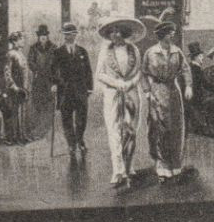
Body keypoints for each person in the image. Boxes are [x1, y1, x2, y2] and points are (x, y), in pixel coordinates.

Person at [143, 17, 195, 183]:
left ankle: (175, 164)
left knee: (177, 127)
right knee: (159, 128)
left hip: (174, 91)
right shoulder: (150, 53)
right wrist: (147, 92)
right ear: (162, 35)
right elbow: (144, 73)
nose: (172, 35)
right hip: (157, 91)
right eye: (169, 32)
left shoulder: (176, 51)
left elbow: (186, 69)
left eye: (172, 32)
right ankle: (162, 166)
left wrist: (188, 86)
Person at [95, 17, 145, 188]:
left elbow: (139, 72)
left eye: (118, 30)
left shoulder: (134, 49)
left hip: (132, 94)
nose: (114, 34)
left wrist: (130, 83)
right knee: (114, 130)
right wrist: (117, 84)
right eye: (111, 31)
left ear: (124, 32)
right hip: (112, 94)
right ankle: (118, 170)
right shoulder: (105, 51)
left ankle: (129, 166)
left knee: (131, 130)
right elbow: (99, 74)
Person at [51, 22, 94, 159]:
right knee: (67, 120)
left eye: (71, 34)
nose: (69, 37)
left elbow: (88, 71)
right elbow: (52, 71)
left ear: (75, 35)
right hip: (65, 91)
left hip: (81, 91)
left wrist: (90, 88)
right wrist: (54, 84)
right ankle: (71, 144)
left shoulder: (82, 51)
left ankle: (80, 140)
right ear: (63, 36)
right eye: (66, 34)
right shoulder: (58, 52)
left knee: (81, 119)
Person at [26, 24, 58, 141]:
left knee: (49, 105)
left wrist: (55, 82)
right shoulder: (33, 48)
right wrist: (38, 70)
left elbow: (57, 65)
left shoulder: (54, 48)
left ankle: (46, 131)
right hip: (38, 80)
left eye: (45, 35)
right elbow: (30, 62)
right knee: (38, 103)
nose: (43, 37)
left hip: (49, 80)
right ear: (38, 37)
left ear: (47, 36)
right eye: (41, 35)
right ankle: (38, 130)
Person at [1, 33, 31, 144]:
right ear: (14, 41)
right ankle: (15, 137)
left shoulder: (21, 54)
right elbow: (7, 73)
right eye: (21, 39)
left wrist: (26, 87)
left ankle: (22, 135)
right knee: (15, 113)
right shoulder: (10, 54)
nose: (23, 41)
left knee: (22, 112)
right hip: (15, 89)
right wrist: (14, 87)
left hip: (23, 88)